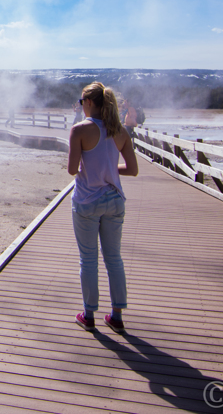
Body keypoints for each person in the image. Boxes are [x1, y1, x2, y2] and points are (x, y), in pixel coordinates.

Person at [67, 82, 138, 333]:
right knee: (114, 259)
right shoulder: (119, 131)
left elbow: (73, 169)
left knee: (88, 259)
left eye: (80, 101)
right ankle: (117, 316)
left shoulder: (79, 130)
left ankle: (88, 315)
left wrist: (95, 169)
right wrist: (109, 171)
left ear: (88, 102)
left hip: (87, 201)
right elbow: (133, 169)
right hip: (114, 200)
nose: (80, 105)